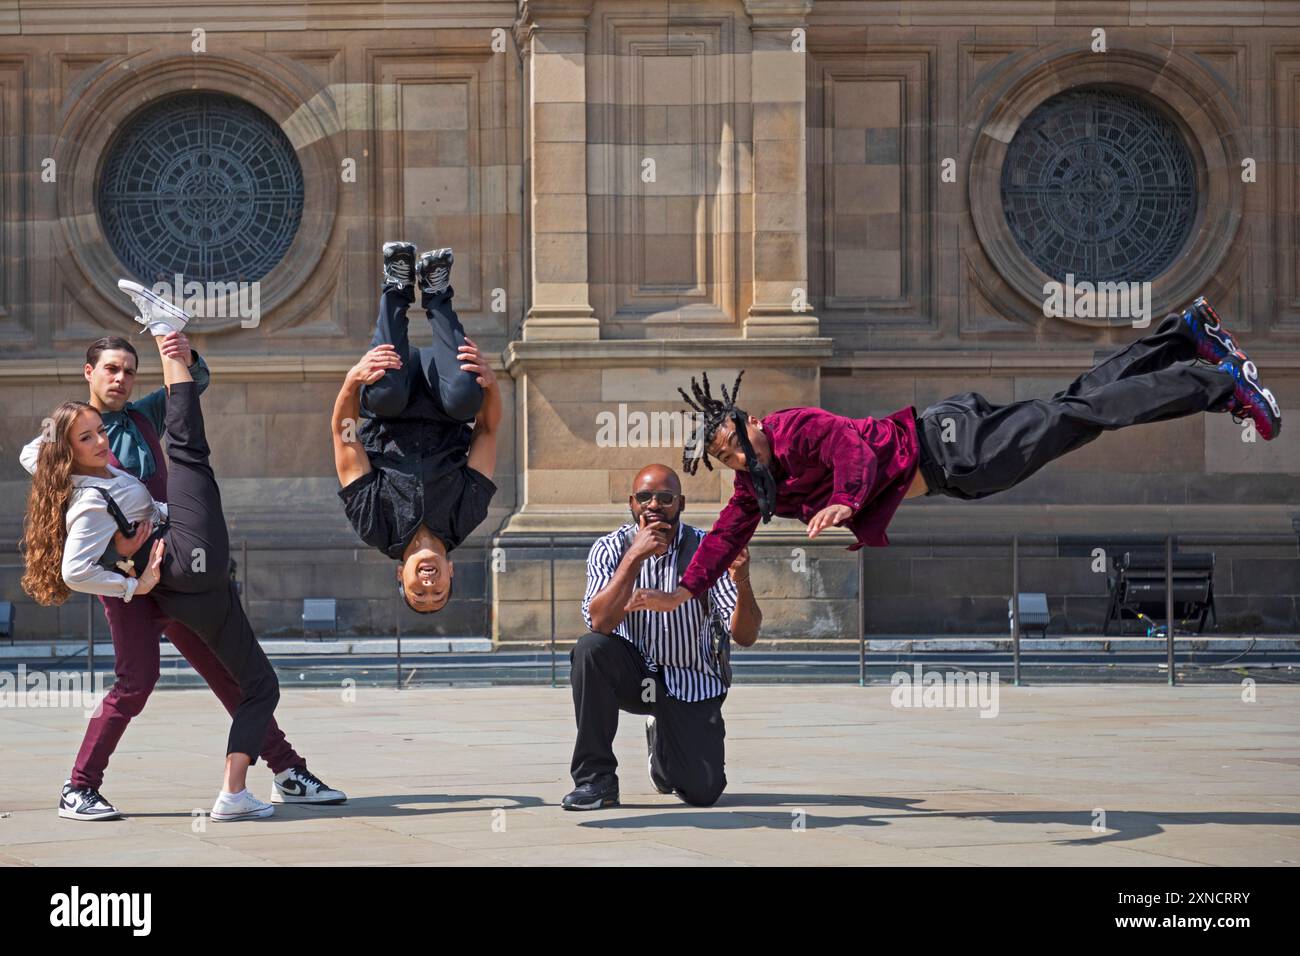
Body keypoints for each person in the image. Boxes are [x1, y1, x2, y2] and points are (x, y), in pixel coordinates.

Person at [622, 297, 1284, 612]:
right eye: (724, 461)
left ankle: (1219, 382)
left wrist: (848, 499)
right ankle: (1182, 335)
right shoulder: (759, 488)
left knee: (1076, 414)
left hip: (947, 449)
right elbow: (722, 541)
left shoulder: (793, 427)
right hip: (953, 458)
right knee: (1075, 407)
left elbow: (851, 446)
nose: (736, 464)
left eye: (733, 447)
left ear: (750, 422)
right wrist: (680, 591)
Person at [19, 320, 344, 821]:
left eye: (129, 370)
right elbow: (37, 460)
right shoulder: (72, 433)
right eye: (111, 369)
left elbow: (194, 390)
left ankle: (287, 771)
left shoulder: (144, 413)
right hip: (132, 581)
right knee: (136, 682)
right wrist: (112, 536)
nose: (122, 379)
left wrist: (184, 354)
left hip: (176, 567)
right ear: (89, 372)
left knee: (226, 671)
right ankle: (78, 786)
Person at [562, 464, 762, 811]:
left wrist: (743, 581)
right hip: (635, 676)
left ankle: (664, 751)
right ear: (631, 502)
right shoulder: (609, 549)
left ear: (680, 503)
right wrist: (634, 558)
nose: (653, 505)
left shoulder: (707, 549)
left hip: (690, 680)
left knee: (702, 793)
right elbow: (600, 621)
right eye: (644, 497)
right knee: (590, 649)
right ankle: (596, 781)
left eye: (665, 498)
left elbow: (745, 635)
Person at [332, 243, 501, 613]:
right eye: (438, 593)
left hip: (394, 394)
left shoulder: (375, 526)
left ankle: (396, 286)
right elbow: (486, 431)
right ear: (451, 572)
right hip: (444, 396)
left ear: (400, 576)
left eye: (419, 593)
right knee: (465, 398)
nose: (429, 586)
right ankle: (437, 293)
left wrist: (351, 381)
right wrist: (490, 382)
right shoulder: (465, 517)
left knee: (386, 391)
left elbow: (345, 441)